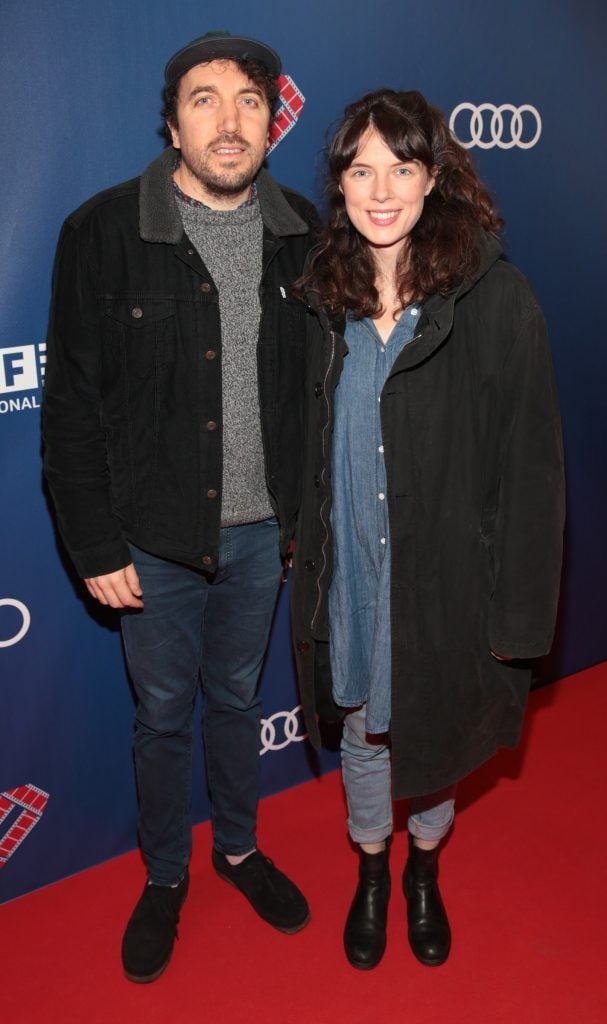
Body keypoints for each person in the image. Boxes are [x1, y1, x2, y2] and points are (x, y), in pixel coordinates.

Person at [43, 31, 319, 983]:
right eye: (205, 99)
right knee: (163, 714)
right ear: (172, 122)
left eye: (248, 99)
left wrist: (301, 521)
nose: (229, 119)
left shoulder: (304, 231)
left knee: (237, 698)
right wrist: (93, 540)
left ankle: (237, 850)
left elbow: (312, 390)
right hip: (152, 540)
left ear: (270, 124)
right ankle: (165, 877)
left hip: (262, 534)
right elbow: (71, 407)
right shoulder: (104, 230)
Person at [291, 88, 564, 970]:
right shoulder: (319, 297)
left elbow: (530, 470)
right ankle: (371, 867)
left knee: (433, 729)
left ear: (433, 176)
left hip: (445, 570)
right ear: (338, 183)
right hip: (353, 572)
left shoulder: (493, 298)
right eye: (360, 169)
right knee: (366, 728)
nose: (380, 190)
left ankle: (421, 869)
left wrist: (516, 624)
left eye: (400, 168)